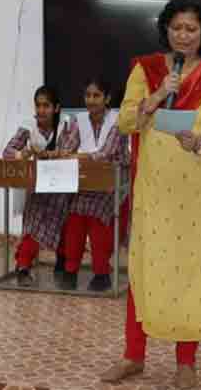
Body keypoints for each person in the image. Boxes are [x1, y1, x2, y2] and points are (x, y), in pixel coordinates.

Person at [100, 0, 201, 389]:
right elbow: (126, 123)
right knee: (144, 268)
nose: (183, 35)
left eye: (191, 28)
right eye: (176, 27)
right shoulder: (145, 70)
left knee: (190, 273)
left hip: (197, 196)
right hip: (154, 191)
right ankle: (133, 356)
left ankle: (186, 363)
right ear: (166, 30)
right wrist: (159, 94)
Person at [58, 77, 129, 292]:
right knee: (74, 216)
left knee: (97, 216)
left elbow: (107, 153)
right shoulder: (79, 121)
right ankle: (70, 270)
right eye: (88, 95)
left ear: (107, 98)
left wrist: (80, 156)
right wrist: (69, 153)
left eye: (96, 95)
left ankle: (101, 273)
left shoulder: (118, 120)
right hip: (86, 183)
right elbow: (67, 150)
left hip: (111, 185)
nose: (91, 100)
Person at [2, 85, 74, 287]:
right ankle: (23, 267)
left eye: (46, 106)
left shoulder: (67, 126)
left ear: (56, 108)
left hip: (62, 188)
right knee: (33, 228)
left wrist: (48, 154)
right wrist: (22, 153)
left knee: (64, 224)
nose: (41, 110)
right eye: (38, 105)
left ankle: (62, 262)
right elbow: (7, 152)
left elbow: (69, 151)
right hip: (37, 188)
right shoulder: (28, 127)